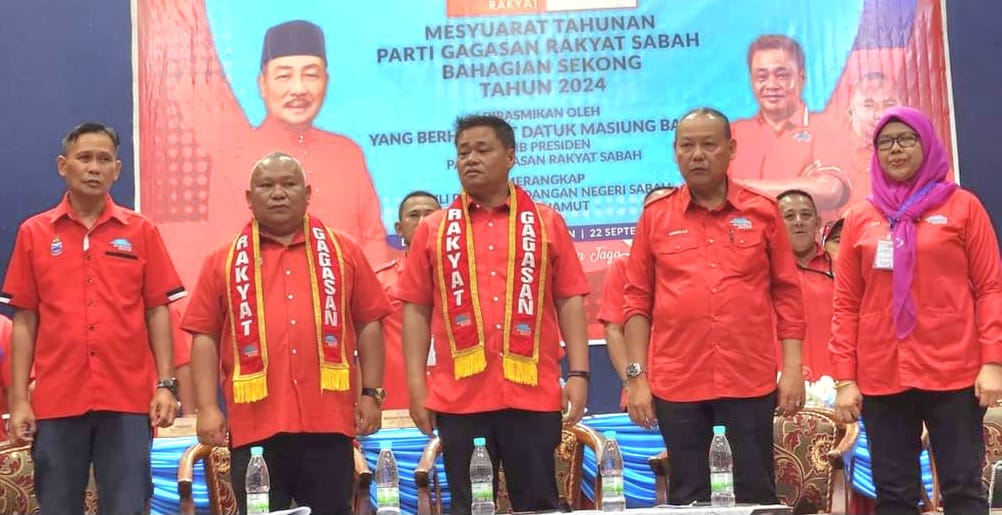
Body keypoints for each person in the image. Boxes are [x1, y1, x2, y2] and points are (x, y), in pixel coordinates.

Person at [396, 115, 591, 515]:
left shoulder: (546, 222)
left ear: (510, 156)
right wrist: (416, 386)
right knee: (469, 506)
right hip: (459, 398)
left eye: (482, 150)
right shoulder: (433, 229)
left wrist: (579, 373)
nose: (470, 159)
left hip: (532, 393)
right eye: (463, 152)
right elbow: (416, 310)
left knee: (538, 505)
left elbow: (569, 299)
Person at [183, 152, 391, 515]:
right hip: (254, 426)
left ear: (307, 193)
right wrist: (208, 408)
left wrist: (371, 394)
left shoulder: (344, 250)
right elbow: (204, 336)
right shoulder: (223, 259)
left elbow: (369, 323)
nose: (278, 193)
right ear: (249, 198)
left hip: (328, 424)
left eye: (289, 184)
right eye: (266, 185)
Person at [623, 107, 806, 505]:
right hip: (678, 383)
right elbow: (636, 301)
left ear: (731, 149)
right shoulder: (655, 216)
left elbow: (787, 294)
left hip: (748, 379)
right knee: (689, 496)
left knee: (755, 494)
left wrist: (792, 368)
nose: (697, 155)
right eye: (687, 146)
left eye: (708, 145)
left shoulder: (762, 211)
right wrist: (636, 378)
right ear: (675, 152)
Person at [1, 122, 185, 514]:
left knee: (127, 506)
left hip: (128, 399)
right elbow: (25, 321)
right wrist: (19, 400)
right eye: (84, 158)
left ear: (117, 170)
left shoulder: (141, 231)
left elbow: (157, 310)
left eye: (104, 159)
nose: (94, 167)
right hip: (56, 400)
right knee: (57, 506)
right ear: (62, 165)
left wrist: (166, 385)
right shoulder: (34, 233)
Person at [831, 106, 1002, 515]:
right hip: (882, 373)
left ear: (926, 145)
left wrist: (993, 362)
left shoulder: (963, 207)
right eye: (885, 142)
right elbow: (846, 303)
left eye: (906, 139)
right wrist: (844, 379)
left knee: (962, 489)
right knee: (894, 494)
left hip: (954, 369)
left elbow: (990, 288)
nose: (896, 149)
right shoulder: (860, 217)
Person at [731, 35, 850, 213]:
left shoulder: (827, 125)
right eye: (762, 77)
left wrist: (737, 187)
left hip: (805, 231)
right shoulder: (733, 132)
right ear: (751, 80)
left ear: (802, 78)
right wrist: (802, 185)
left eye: (782, 75)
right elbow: (710, 193)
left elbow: (829, 191)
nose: (772, 85)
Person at [598, 185, 674, 411]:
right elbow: (613, 331)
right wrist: (631, 382)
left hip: (692, 388)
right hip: (643, 394)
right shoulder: (623, 267)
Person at [374, 190, 442, 411]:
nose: (422, 222)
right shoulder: (379, 281)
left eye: (430, 215)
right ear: (398, 228)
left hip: (458, 399)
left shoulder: (466, 277)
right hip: (398, 402)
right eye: (414, 215)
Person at [819, 72, 904, 213]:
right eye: (869, 105)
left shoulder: (919, 155)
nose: (880, 114)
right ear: (850, 112)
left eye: (889, 104)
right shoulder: (833, 156)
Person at [777, 189, 834, 381]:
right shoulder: (761, 272)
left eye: (806, 215)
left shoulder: (841, 266)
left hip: (835, 383)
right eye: (789, 216)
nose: (798, 221)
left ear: (817, 222)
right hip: (780, 383)